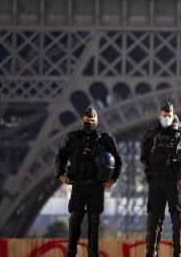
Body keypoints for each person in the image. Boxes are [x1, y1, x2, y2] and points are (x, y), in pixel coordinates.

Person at [55, 107, 122, 257]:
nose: (89, 123)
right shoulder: (73, 138)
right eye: (87, 120)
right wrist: (60, 175)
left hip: (96, 185)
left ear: (97, 121)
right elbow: (61, 156)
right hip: (78, 184)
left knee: (94, 222)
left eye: (92, 120)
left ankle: (93, 254)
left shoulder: (105, 140)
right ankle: (71, 253)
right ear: (82, 119)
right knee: (75, 220)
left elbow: (117, 160)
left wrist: (113, 179)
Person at [140, 101, 181, 257]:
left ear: (173, 116)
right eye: (164, 115)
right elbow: (143, 157)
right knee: (153, 220)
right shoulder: (150, 135)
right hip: (156, 181)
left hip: (174, 181)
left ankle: (179, 253)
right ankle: (151, 253)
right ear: (159, 115)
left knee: (178, 219)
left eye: (169, 116)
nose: (166, 118)